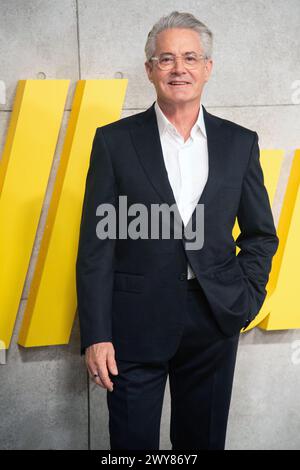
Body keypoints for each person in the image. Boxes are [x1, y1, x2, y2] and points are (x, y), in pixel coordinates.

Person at [75, 11, 279, 450]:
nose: (178, 68)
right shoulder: (113, 141)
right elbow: (96, 246)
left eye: (190, 57)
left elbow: (261, 234)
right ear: (149, 69)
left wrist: (244, 299)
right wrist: (96, 334)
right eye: (165, 59)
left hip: (213, 318)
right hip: (132, 324)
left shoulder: (239, 143)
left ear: (208, 67)